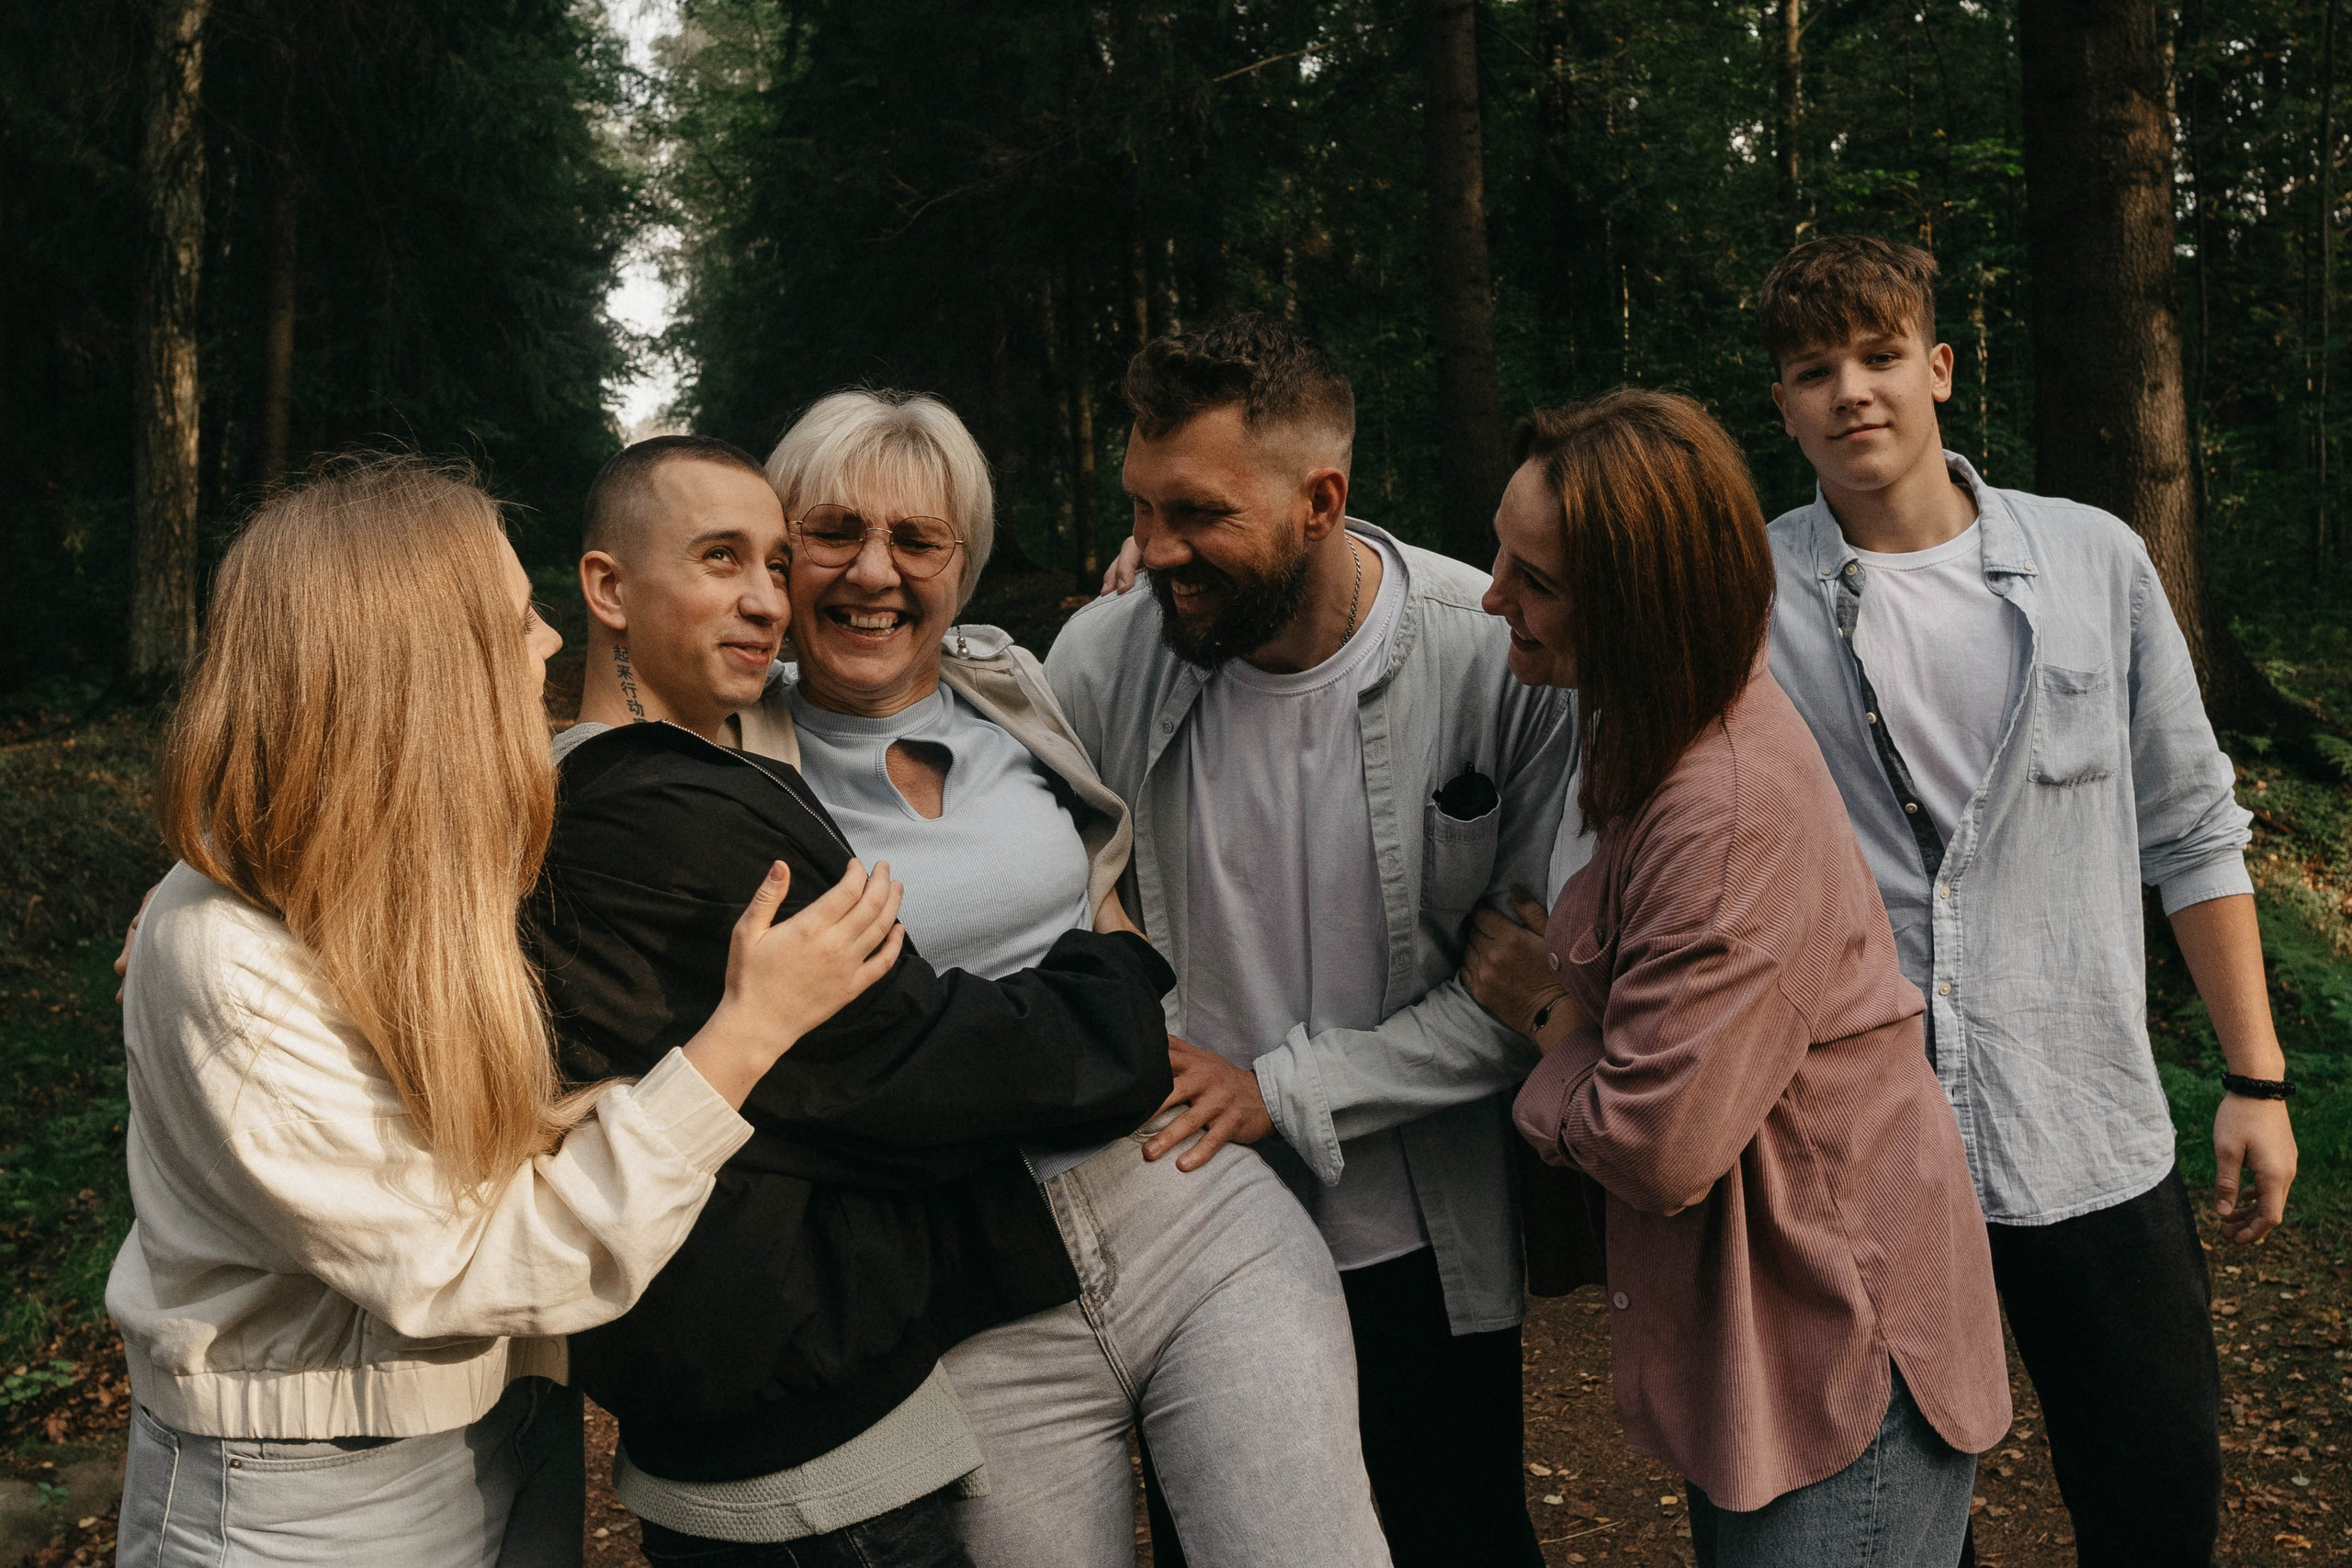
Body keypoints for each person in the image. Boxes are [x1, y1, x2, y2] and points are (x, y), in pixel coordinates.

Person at [107, 454, 905, 1568]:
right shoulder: (229, 959)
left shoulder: (427, 855)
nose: (546, 647)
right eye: (518, 621)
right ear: (411, 665)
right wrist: (743, 1039)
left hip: (506, 1424)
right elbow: (469, 1265)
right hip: (310, 1502)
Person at [526, 434, 1203, 1568]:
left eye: (776, 565)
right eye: (718, 559)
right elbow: (919, 1064)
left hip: (782, 1416)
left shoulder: (640, 783)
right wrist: (1121, 974)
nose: (764, 602)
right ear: (607, 589)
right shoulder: (658, 814)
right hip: (802, 1464)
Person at [752, 390, 1385, 1568]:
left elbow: (1107, 889)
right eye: (833, 533)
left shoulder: (1014, 687)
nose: (872, 573)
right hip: (965, 1298)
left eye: (918, 541)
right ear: (782, 554)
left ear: (966, 565)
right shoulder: (734, 764)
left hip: (1188, 1210)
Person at [1754, 235, 2293, 1568]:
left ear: (1938, 367)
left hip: (2090, 1126)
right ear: (1783, 404)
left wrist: (2258, 1078)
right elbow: (1554, 629)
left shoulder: (2093, 560)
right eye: (1814, 370)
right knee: (1914, 1518)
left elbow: (2191, 820)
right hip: (1871, 1151)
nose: (1851, 392)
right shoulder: (1750, 592)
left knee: (2156, 1486)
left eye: (1880, 357)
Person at [1464, 388, 2010, 1565]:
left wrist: (1545, 1014)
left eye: (1536, 581)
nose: (1493, 595)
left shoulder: (1722, 811)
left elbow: (1661, 1146)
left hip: (1839, 1340)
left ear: (1641, 609)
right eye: (1498, 553)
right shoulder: (1650, 721)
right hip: (1768, 1329)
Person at [1066, 312, 1577, 1567]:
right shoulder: (1102, 659)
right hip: (1198, 1233)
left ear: (1320, 499)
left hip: (1422, 1231)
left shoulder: (1494, 654)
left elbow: (1529, 994)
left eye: (1195, 514)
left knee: (1461, 1533)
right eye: (1139, 509)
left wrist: (1275, 1089)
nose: (1153, 549)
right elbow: (1050, 903)